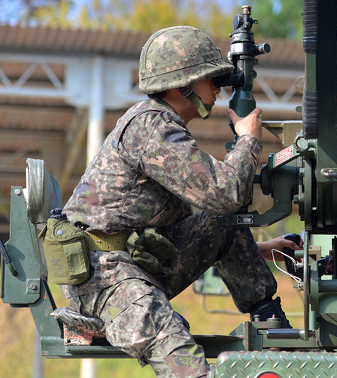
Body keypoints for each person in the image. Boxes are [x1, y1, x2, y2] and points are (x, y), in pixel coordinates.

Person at [58, 25, 300, 377]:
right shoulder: (151, 128)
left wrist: (264, 249)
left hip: (134, 262)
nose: (217, 88)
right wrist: (248, 141)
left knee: (221, 221)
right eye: (209, 79)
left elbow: (205, 222)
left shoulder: (164, 127)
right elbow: (224, 192)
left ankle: (270, 323)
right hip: (104, 277)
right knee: (185, 364)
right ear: (179, 85)